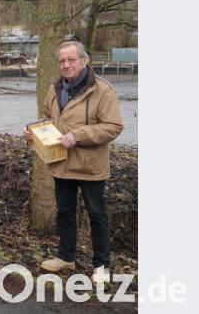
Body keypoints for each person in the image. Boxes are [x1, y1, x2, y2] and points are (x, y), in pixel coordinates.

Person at [24, 40, 123, 284]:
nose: (66, 65)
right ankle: (66, 257)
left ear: (84, 61)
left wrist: (78, 135)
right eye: (62, 61)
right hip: (61, 163)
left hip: (91, 166)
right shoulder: (55, 89)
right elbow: (47, 119)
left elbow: (113, 126)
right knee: (65, 212)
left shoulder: (103, 90)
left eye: (71, 60)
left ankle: (101, 265)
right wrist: (34, 134)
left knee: (97, 214)